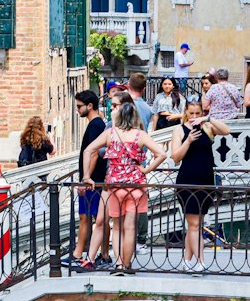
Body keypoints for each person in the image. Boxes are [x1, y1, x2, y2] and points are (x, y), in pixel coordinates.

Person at [81, 101, 167, 276]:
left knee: (117, 227)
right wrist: (146, 169)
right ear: (135, 117)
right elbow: (162, 154)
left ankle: (118, 265)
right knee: (130, 228)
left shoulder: (110, 133)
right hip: (135, 185)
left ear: (119, 117)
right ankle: (127, 265)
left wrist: (86, 176)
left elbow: (88, 150)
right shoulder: (141, 135)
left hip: (115, 186)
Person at [169, 100, 230, 271]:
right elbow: (175, 157)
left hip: (206, 180)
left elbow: (227, 130)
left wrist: (208, 118)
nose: (194, 117)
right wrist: (188, 141)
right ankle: (201, 262)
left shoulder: (207, 127)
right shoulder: (179, 130)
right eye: (191, 113)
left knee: (196, 223)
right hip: (188, 180)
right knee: (195, 224)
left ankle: (187, 261)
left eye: (198, 113)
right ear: (185, 113)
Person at [72, 91, 105, 266]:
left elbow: (93, 154)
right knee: (91, 217)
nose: (77, 110)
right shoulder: (98, 124)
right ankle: (85, 252)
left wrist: (86, 179)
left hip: (92, 180)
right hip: (95, 178)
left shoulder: (95, 125)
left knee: (86, 216)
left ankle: (78, 253)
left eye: (79, 106)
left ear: (89, 106)